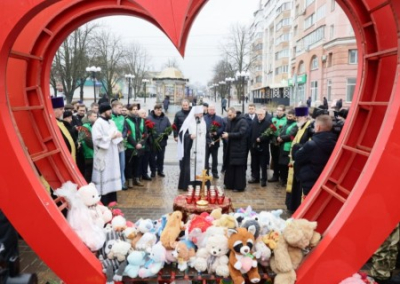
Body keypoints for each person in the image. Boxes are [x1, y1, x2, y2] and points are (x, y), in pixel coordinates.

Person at [294, 114, 337, 197]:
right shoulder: (335, 143)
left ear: (318, 127)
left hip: (310, 182)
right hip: (326, 181)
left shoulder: (311, 145)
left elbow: (297, 157)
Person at [91, 102, 122, 205]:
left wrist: (118, 135)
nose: (111, 112)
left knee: (112, 173)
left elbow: (115, 133)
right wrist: (111, 137)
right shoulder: (98, 123)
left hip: (112, 153)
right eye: (109, 110)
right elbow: (97, 140)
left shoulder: (111, 122)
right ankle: (104, 200)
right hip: (103, 155)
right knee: (104, 176)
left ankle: (112, 199)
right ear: (104, 111)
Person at [285, 106, 313, 212]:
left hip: (302, 163)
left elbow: (307, 146)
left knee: (298, 187)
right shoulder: (301, 127)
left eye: (299, 117)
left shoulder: (309, 128)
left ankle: (297, 207)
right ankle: (292, 206)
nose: (297, 119)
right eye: (297, 117)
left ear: (305, 117)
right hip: (295, 162)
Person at [178, 105, 208, 190]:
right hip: (191, 149)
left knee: (201, 165)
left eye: (202, 114)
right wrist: (189, 136)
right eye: (199, 114)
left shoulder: (203, 122)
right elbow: (181, 134)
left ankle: (199, 183)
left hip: (201, 150)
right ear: (195, 114)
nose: (201, 116)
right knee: (190, 167)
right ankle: (189, 184)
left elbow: (206, 134)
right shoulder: (188, 122)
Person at [222, 107, 248, 192]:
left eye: (230, 115)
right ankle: (229, 184)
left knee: (238, 168)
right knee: (230, 167)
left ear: (234, 113)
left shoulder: (243, 121)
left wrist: (229, 135)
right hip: (230, 147)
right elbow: (227, 131)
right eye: (228, 115)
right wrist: (225, 135)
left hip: (239, 148)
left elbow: (241, 133)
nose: (228, 117)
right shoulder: (230, 121)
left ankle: (239, 186)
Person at [248, 109, 272, 187]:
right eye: (258, 114)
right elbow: (250, 133)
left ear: (264, 115)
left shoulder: (268, 123)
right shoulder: (253, 122)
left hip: (263, 147)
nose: (259, 116)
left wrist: (261, 138)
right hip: (254, 147)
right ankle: (256, 178)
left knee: (263, 164)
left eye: (261, 114)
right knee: (254, 163)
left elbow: (269, 135)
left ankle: (264, 179)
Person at [124, 104, 146, 188]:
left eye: (136, 109)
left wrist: (141, 143)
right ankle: (129, 179)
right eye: (133, 109)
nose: (135, 111)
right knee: (130, 164)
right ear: (130, 110)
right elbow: (128, 134)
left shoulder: (141, 120)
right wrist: (135, 144)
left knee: (138, 163)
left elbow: (145, 133)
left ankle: (137, 178)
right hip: (131, 146)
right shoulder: (127, 120)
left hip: (140, 146)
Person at [148, 104, 171, 178]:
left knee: (161, 157)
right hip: (153, 142)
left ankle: (160, 170)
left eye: (160, 110)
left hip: (162, 142)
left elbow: (169, 128)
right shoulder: (149, 118)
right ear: (154, 110)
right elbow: (147, 130)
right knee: (152, 158)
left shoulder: (165, 118)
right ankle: (153, 171)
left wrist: (167, 133)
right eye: (157, 110)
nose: (159, 111)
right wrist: (151, 138)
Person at [276, 109, 298, 188]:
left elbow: (292, 135)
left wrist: (281, 138)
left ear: (294, 117)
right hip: (282, 146)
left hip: (288, 147)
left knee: (286, 164)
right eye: (288, 116)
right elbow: (282, 131)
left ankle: (286, 180)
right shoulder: (286, 124)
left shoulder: (295, 125)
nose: (289, 118)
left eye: (290, 116)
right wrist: (279, 137)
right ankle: (282, 179)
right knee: (281, 164)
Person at [52, 97, 76, 162]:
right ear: (53, 110)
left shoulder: (60, 122)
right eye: (61, 109)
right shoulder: (52, 123)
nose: (63, 111)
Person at [204, 104, 225, 179]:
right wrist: (207, 133)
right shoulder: (204, 118)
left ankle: (215, 172)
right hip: (206, 141)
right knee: (205, 158)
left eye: (213, 109)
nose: (211, 111)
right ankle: (206, 173)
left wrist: (217, 132)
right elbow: (201, 128)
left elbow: (222, 128)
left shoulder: (219, 118)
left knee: (215, 158)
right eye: (210, 109)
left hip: (215, 141)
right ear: (207, 110)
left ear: (215, 110)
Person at [111, 101, 128, 190]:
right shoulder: (110, 117)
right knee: (114, 164)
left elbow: (125, 129)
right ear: (113, 108)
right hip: (112, 143)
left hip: (121, 142)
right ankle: (113, 183)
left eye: (121, 108)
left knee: (122, 164)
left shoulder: (122, 118)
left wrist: (123, 135)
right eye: (119, 108)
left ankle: (122, 181)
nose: (121, 109)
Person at [269, 105, 287, 183]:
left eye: (280, 110)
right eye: (277, 110)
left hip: (283, 141)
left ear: (283, 111)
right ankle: (275, 174)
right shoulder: (273, 119)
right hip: (274, 141)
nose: (278, 112)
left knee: (282, 159)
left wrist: (281, 137)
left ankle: (283, 176)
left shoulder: (286, 120)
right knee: (275, 158)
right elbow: (270, 129)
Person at [80, 110, 98, 183]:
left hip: (94, 153)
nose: (96, 118)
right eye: (94, 116)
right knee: (88, 173)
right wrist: (98, 148)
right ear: (89, 116)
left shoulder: (95, 126)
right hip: (88, 153)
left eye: (96, 116)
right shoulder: (84, 127)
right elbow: (88, 140)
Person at [138, 108, 152, 181]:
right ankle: (139, 174)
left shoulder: (148, 121)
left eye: (145, 113)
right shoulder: (138, 121)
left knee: (146, 159)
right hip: (140, 143)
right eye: (142, 113)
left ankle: (145, 173)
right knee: (140, 160)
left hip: (147, 143)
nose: (144, 114)